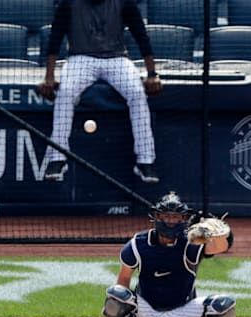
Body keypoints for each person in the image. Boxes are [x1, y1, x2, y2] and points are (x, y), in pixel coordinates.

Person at [39, 0, 162, 183]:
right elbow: (55, 37)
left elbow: (140, 34)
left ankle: (145, 160)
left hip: (117, 59)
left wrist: (152, 73)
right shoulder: (69, 3)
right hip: (80, 59)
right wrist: (49, 76)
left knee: (137, 94)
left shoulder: (123, 2)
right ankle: (58, 157)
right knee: (65, 93)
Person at [102, 191, 236, 317]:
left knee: (225, 305)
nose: (171, 222)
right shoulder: (138, 244)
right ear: (156, 217)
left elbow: (221, 247)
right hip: (146, 312)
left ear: (183, 219)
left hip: (183, 312)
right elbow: (123, 280)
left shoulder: (192, 241)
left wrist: (218, 233)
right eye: (166, 216)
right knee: (116, 294)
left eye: (176, 217)